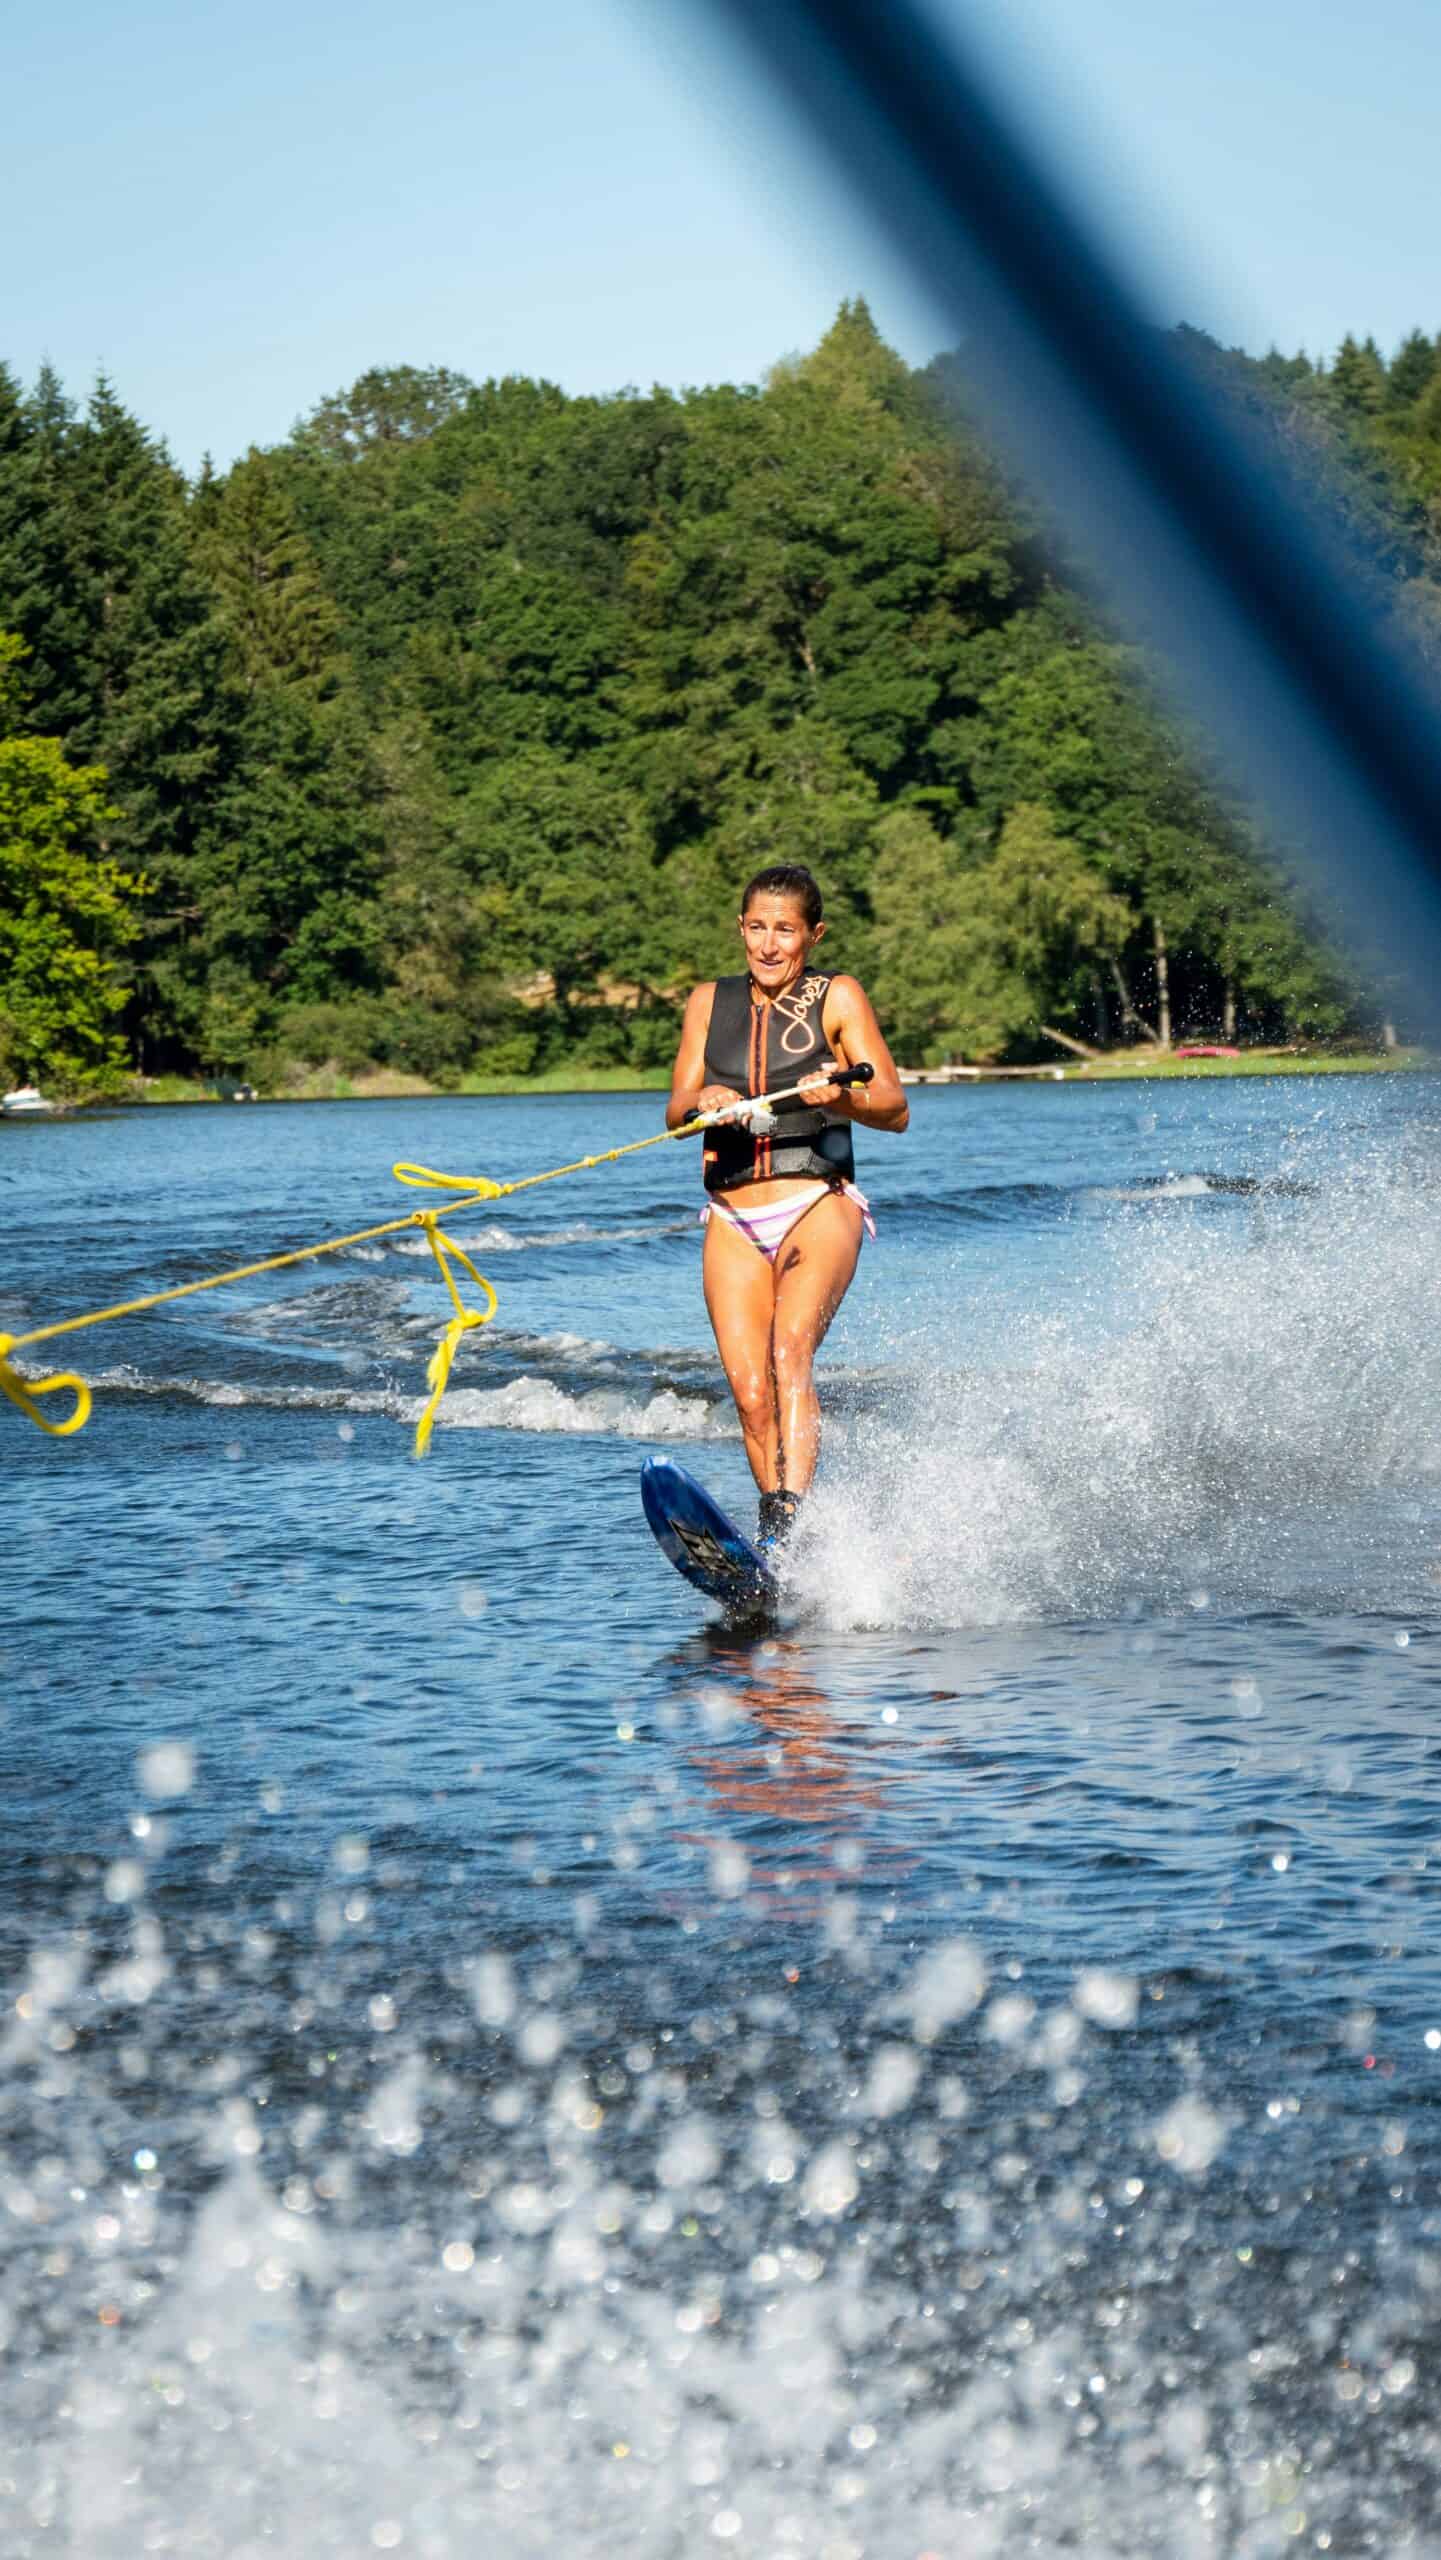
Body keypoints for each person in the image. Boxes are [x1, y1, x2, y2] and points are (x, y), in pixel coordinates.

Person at [666, 862, 909, 1551]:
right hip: (733, 1215)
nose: (768, 945)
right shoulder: (707, 1003)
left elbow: (892, 1108)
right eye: (756, 928)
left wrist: (836, 1095)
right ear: (740, 928)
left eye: (785, 930)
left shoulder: (838, 996)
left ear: (812, 934)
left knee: (788, 1351)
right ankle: (776, 1538)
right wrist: (702, 1104)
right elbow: (675, 1108)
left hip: (816, 1201)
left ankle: (786, 1521)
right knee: (748, 1392)